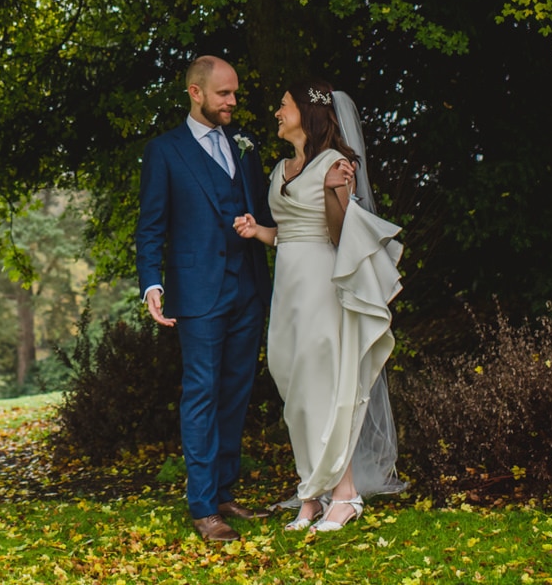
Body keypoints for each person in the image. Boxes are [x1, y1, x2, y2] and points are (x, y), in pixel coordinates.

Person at [233, 80, 403, 532]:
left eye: (283, 105)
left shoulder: (335, 163)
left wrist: (333, 191)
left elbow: (338, 235)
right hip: (288, 288)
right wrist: (258, 231)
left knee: (324, 388)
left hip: (322, 285)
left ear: (306, 113)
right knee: (291, 383)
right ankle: (311, 491)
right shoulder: (281, 168)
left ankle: (343, 496)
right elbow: (285, 232)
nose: (276, 112)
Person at [136, 55, 276, 544]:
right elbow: (151, 225)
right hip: (196, 293)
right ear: (196, 93)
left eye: (235, 93)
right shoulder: (164, 151)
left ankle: (223, 492)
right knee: (202, 392)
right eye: (224, 94)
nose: (233, 102)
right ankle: (202, 507)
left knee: (236, 391)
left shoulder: (247, 146)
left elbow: (261, 211)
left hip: (248, 288)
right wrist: (151, 284)